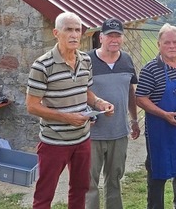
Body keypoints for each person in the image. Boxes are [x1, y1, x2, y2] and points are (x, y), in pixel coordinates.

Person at [26, 12, 114, 209]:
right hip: (54, 142)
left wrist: (100, 104)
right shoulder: (42, 65)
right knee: (44, 196)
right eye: (69, 30)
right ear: (56, 33)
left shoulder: (85, 60)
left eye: (77, 30)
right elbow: (32, 106)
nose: (74, 35)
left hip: (82, 140)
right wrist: (66, 117)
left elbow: (86, 92)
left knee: (80, 191)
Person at [135, 23, 176, 209]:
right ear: (159, 45)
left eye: (175, 42)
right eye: (167, 42)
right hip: (160, 129)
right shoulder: (150, 69)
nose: (172, 46)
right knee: (158, 172)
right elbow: (140, 98)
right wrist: (164, 114)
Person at [86, 18, 140, 209]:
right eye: (110, 36)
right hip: (93, 134)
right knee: (89, 183)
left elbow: (130, 91)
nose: (114, 40)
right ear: (101, 37)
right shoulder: (87, 60)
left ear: (122, 38)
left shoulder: (126, 59)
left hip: (119, 133)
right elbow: (78, 92)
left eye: (118, 35)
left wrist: (134, 120)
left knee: (115, 179)